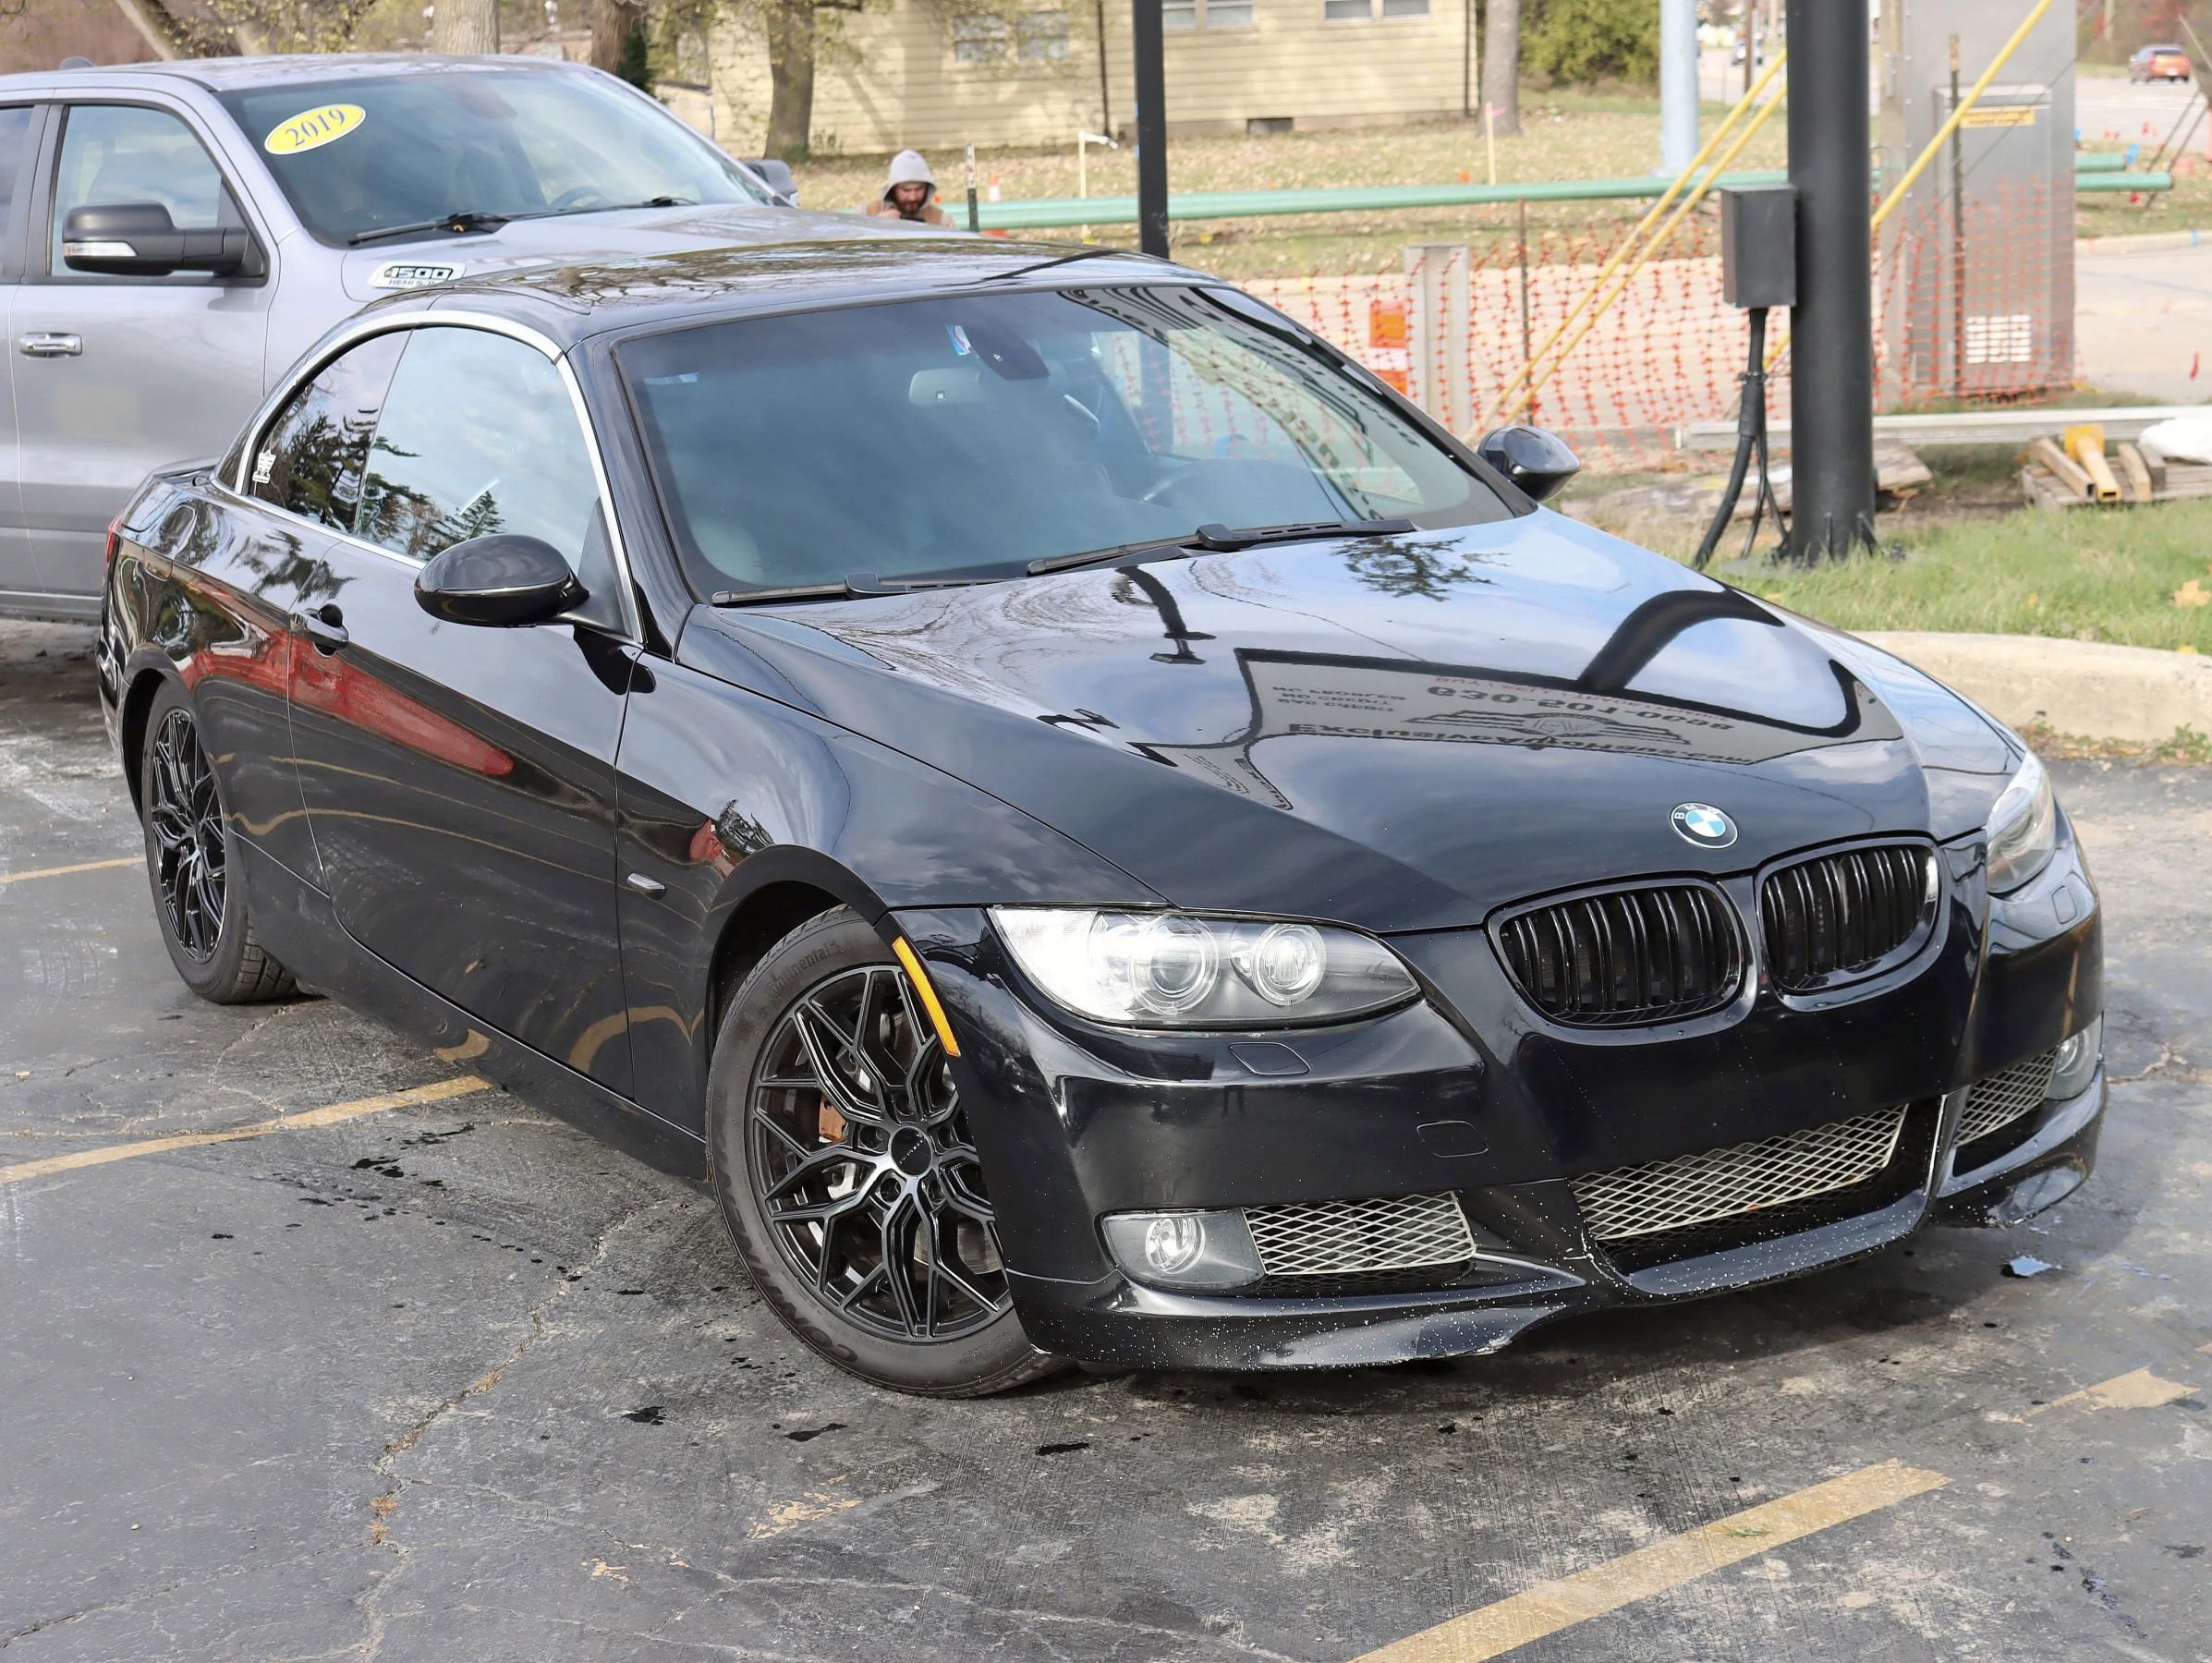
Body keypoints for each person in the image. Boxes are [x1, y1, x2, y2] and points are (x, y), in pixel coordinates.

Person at [865, 150, 949, 225]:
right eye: (906, 190)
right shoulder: (866, 213)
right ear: (893, 189)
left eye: (919, 189)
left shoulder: (941, 221)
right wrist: (877, 224)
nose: (913, 197)